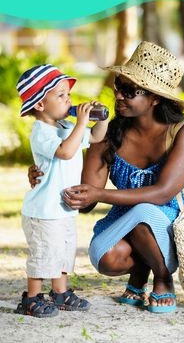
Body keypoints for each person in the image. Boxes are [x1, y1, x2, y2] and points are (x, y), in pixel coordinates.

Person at [29, 42, 184, 314]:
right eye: (118, 87)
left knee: (145, 210)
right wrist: (48, 169)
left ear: (155, 97)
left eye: (130, 91)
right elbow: (86, 201)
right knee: (105, 257)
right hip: (125, 217)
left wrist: (102, 195)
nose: (119, 96)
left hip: (169, 221)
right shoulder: (108, 134)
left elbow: (163, 193)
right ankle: (140, 271)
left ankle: (163, 277)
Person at [16, 63, 108, 317]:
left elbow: (97, 137)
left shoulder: (66, 127)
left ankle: (60, 292)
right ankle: (31, 298)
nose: (69, 100)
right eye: (61, 95)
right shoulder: (42, 132)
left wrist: (100, 119)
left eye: (68, 95)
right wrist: (79, 124)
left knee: (63, 252)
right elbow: (66, 152)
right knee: (44, 255)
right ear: (40, 105)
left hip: (64, 208)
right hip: (43, 211)